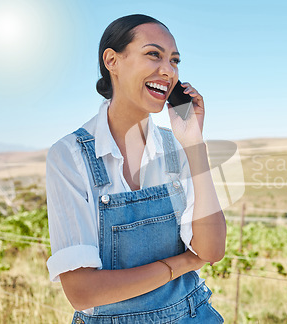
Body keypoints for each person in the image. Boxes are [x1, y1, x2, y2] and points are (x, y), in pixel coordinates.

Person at [45, 14, 226, 323]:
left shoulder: (178, 149)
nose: (168, 70)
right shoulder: (70, 156)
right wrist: (180, 264)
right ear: (112, 60)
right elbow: (83, 291)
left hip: (194, 315)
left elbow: (210, 250)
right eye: (153, 54)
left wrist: (195, 146)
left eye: (174, 60)